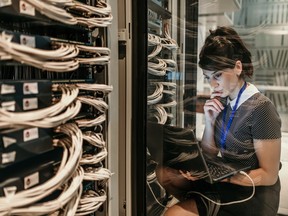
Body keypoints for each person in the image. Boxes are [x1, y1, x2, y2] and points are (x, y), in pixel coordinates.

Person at [156, 26, 282, 216]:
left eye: (217, 76)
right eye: (208, 78)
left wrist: (226, 178)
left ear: (238, 67)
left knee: (174, 214)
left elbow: (269, 175)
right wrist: (210, 120)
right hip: (226, 178)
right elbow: (209, 152)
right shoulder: (223, 101)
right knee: (165, 173)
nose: (212, 84)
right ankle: (200, 204)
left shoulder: (261, 109)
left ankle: (199, 206)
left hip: (254, 193)